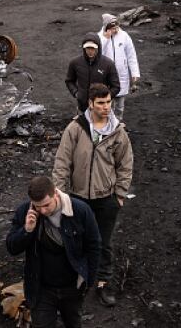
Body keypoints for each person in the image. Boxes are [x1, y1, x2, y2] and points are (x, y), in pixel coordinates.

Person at [52, 83, 134, 308]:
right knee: (76, 239)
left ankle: (103, 283)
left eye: (109, 102)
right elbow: (62, 162)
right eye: (101, 103)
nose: (106, 107)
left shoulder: (118, 131)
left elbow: (125, 165)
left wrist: (119, 195)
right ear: (90, 103)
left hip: (106, 198)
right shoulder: (76, 129)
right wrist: (60, 195)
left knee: (103, 243)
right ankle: (78, 280)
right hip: (78, 198)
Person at [6, 176, 101, 328]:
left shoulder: (80, 210)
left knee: (73, 323)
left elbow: (94, 246)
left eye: (46, 205)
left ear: (55, 194)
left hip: (72, 286)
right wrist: (27, 230)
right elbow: (11, 248)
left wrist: (89, 280)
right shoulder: (25, 211)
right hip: (41, 287)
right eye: (37, 206)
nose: (42, 211)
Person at [97, 14, 140, 121]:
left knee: (120, 105)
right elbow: (97, 54)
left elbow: (131, 55)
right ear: (107, 26)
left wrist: (135, 73)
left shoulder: (124, 36)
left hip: (122, 75)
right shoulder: (99, 37)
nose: (115, 29)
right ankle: (106, 123)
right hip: (106, 76)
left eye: (116, 27)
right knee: (107, 103)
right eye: (113, 28)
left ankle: (118, 122)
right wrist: (106, 38)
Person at [65, 34, 120, 113]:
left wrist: (104, 100)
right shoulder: (75, 63)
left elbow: (116, 87)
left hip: (102, 110)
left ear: (98, 47)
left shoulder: (108, 64)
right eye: (87, 48)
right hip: (82, 107)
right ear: (84, 48)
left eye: (93, 48)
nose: (90, 51)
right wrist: (76, 93)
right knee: (83, 125)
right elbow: (69, 81)